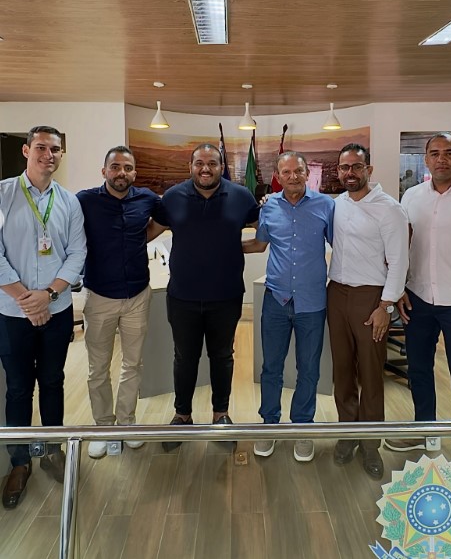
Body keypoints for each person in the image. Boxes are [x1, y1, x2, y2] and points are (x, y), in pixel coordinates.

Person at [148, 143, 260, 451]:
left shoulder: (241, 196)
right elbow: (147, 233)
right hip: (182, 296)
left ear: (222, 167)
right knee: (184, 358)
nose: (206, 168)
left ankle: (220, 416)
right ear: (191, 166)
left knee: (222, 357)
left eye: (212, 163)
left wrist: (232, 247)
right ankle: (182, 416)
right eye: (200, 163)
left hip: (226, 296)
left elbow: (263, 236)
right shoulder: (172, 197)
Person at [0, 126, 86, 509]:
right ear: (26, 151)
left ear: (61, 154)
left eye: (55, 149)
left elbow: (77, 253)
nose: (48, 154)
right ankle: (19, 462)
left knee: (53, 381)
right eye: (41, 147)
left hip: (57, 309)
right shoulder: (3, 194)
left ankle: (53, 449)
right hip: (11, 313)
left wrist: (47, 295)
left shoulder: (69, 202)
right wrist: (26, 299)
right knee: (18, 388)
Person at [384, 133, 451, 476]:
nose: (442, 159)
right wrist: (399, 288)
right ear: (425, 159)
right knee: (419, 372)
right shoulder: (411, 196)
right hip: (418, 301)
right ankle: (427, 433)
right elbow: (400, 246)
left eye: (449, 153)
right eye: (435, 153)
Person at [243, 152, 334, 462]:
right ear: (278, 176)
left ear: (307, 173)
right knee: (271, 367)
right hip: (276, 300)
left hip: (312, 302)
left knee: (308, 369)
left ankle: (302, 427)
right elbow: (260, 244)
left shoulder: (326, 206)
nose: (293, 176)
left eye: (298, 171)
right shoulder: (269, 207)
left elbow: (342, 246)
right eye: (286, 172)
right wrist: (222, 248)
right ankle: (269, 424)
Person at [327, 143, 408, 479]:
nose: (350, 173)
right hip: (337, 293)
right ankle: (348, 435)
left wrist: (385, 306)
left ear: (368, 170)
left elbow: (399, 261)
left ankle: (371, 444)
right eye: (344, 167)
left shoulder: (389, 209)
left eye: (356, 167)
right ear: (338, 171)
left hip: (371, 298)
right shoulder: (336, 205)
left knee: (372, 373)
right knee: (343, 371)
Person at [77, 146, 163, 459]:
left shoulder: (147, 199)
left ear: (134, 173)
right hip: (100, 296)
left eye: (127, 168)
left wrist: (140, 239)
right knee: (98, 368)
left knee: (133, 364)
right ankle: (103, 427)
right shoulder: (84, 201)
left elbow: (162, 221)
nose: (121, 173)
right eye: (115, 167)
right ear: (104, 171)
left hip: (137, 295)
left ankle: (127, 423)